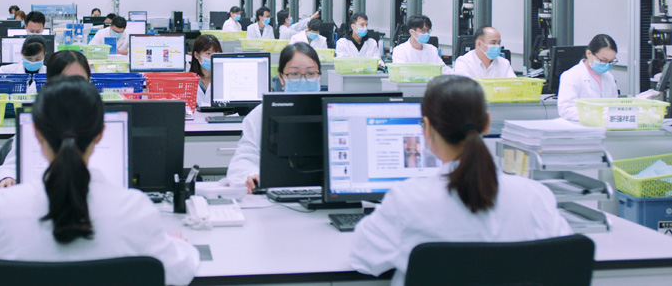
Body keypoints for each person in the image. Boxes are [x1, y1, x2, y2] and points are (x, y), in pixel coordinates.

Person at [0, 76, 200, 285]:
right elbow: (181, 272)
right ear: (100, 133)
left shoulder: (2, 209)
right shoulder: (134, 209)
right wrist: (177, 244)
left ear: (37, 134)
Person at [349, 76, 571, 285]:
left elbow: (362, 259)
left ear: (426, 128)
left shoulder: (407, 201)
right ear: (487, 123)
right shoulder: (535, 198)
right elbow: (567, 261)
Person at [227, 43, 321, 193]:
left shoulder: (334, 111)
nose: (303, 80)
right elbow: (243, 158)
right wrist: (251, 175)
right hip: (275, 195)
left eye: (311, 73)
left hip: (325, 195)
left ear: (319, 75)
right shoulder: (260, 115)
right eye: (294, 74)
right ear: (281, 78)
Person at [0, 50, 93, 188]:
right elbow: (10, 167)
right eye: (64, 81)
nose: (73, 87)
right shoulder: (35, 122)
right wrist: (6, 178)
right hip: (39, 192)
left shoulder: (101, 120)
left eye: (80, 80)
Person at [557, 34, 619, 122]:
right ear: (589, 53)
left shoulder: (608, 77)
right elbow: (566, 109)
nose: (606, 65)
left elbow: (614, 105)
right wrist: (595, 116)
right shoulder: (571, 75)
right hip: (580, 127)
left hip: (605, 127)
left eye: (610, 61)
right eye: (603, 60)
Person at [189, 34, 222, 108]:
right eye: (208, 53)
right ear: (196, 55)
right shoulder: (188, 80)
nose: (212, 57)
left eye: (216, 53)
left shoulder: (224, 79)